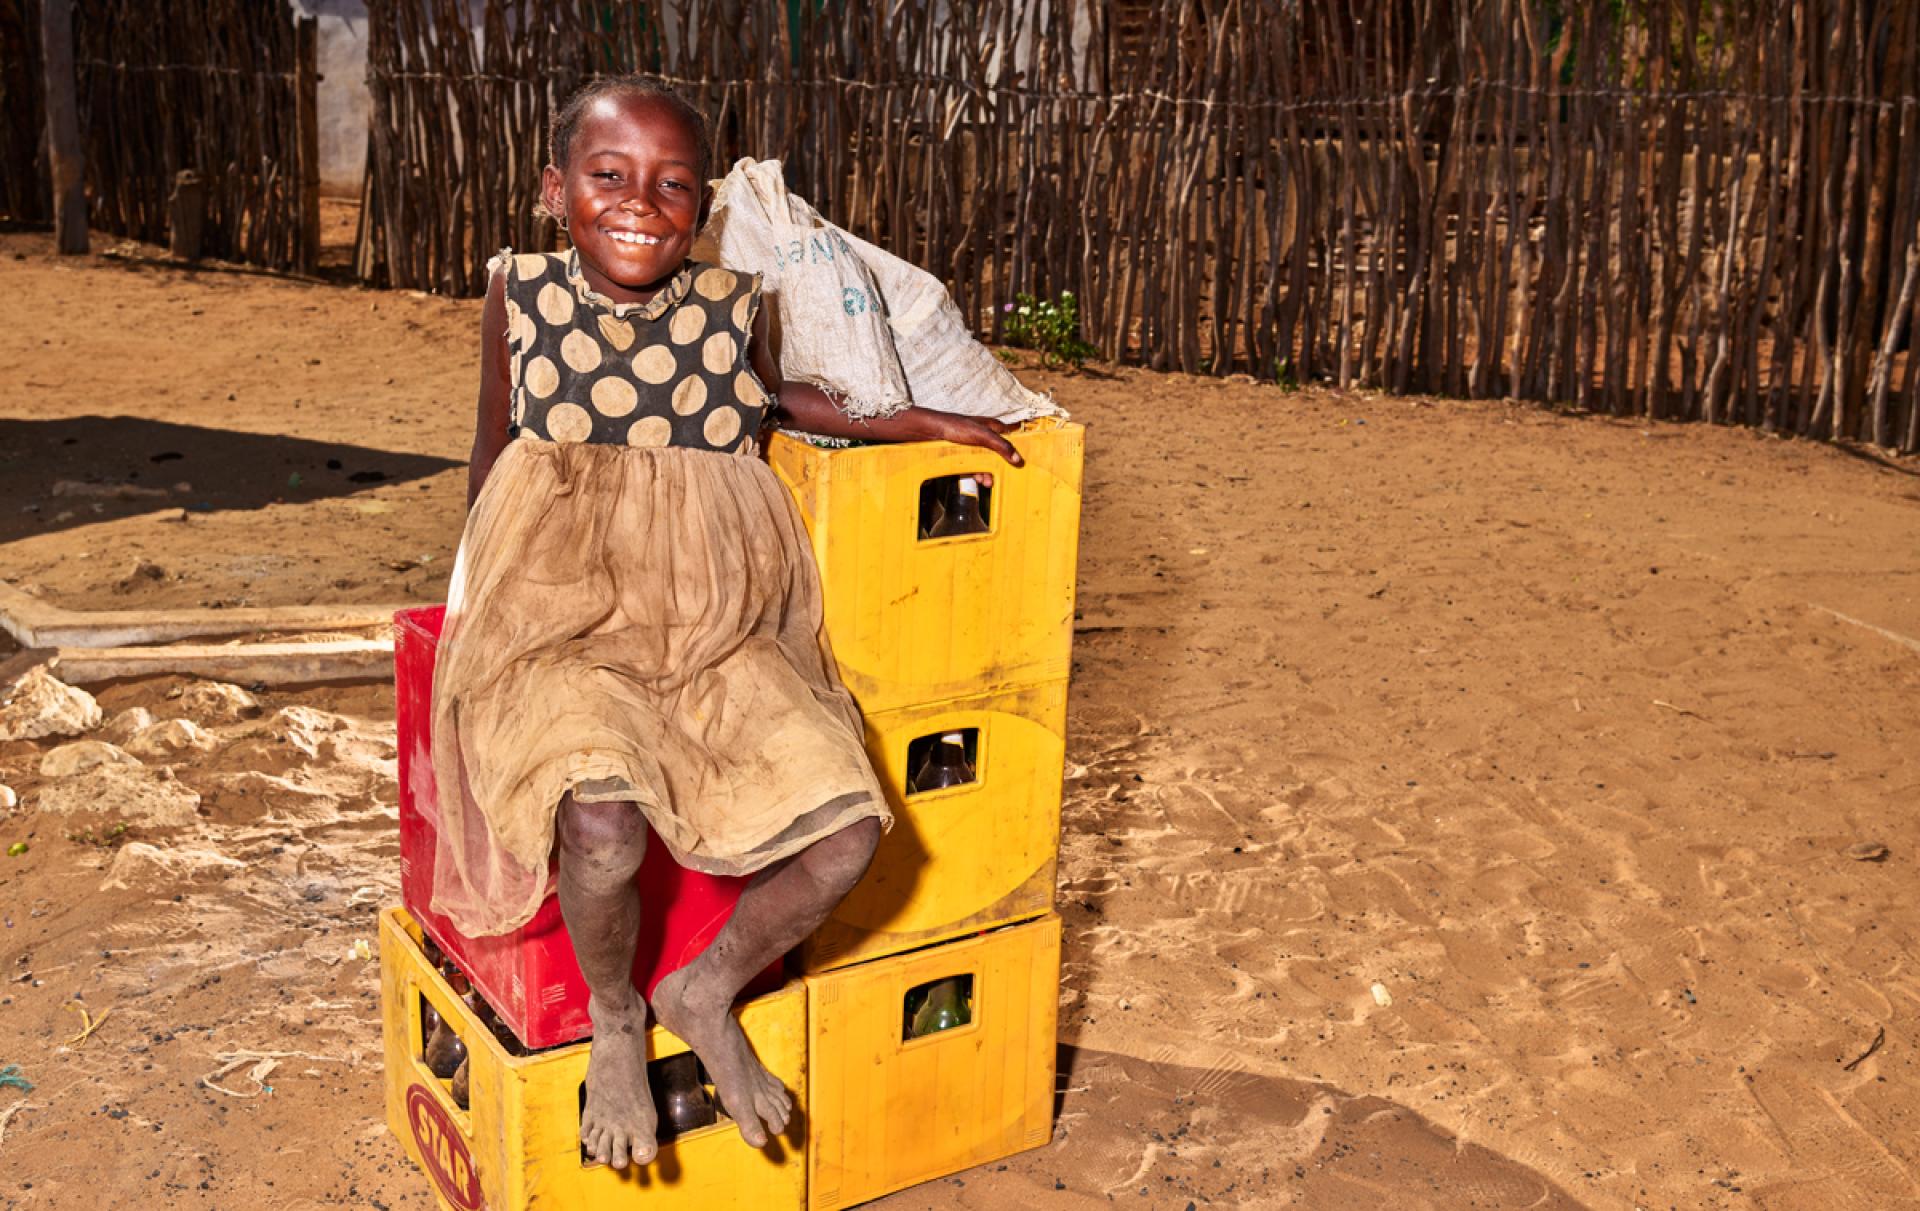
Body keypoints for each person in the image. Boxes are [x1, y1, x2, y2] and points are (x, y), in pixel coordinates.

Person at [426, 76, 1021, 1171]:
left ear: (700, 211)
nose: (639, 202)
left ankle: (704, 983)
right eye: (608, 176)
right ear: (556, 190)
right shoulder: (520, 293)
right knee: (601, 824)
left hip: (709, 621)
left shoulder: (732, 301)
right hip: (561, 618)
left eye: (672, 186)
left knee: (849, 828)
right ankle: (616, 1011)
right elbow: (490, 443)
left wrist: (925, 417)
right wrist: (472, 593)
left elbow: (777, 401)